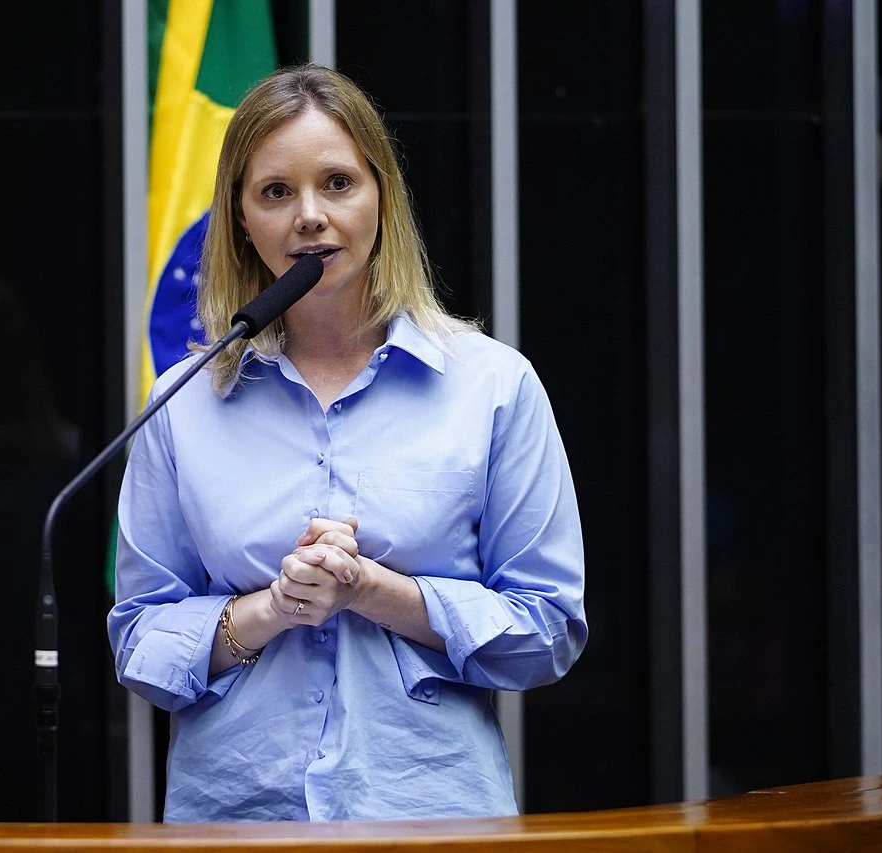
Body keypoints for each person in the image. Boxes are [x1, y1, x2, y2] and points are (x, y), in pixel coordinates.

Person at [108, 64, 586, 823]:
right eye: (275, 192)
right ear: (237, 219)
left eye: (337, 183)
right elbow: (138, 642)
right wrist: (271, 608)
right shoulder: (184, 401)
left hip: (432, 817)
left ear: (381, 197)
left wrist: (372, 589)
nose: (309, 216)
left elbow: (547, 629)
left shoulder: (493, 386)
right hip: (235, 821)